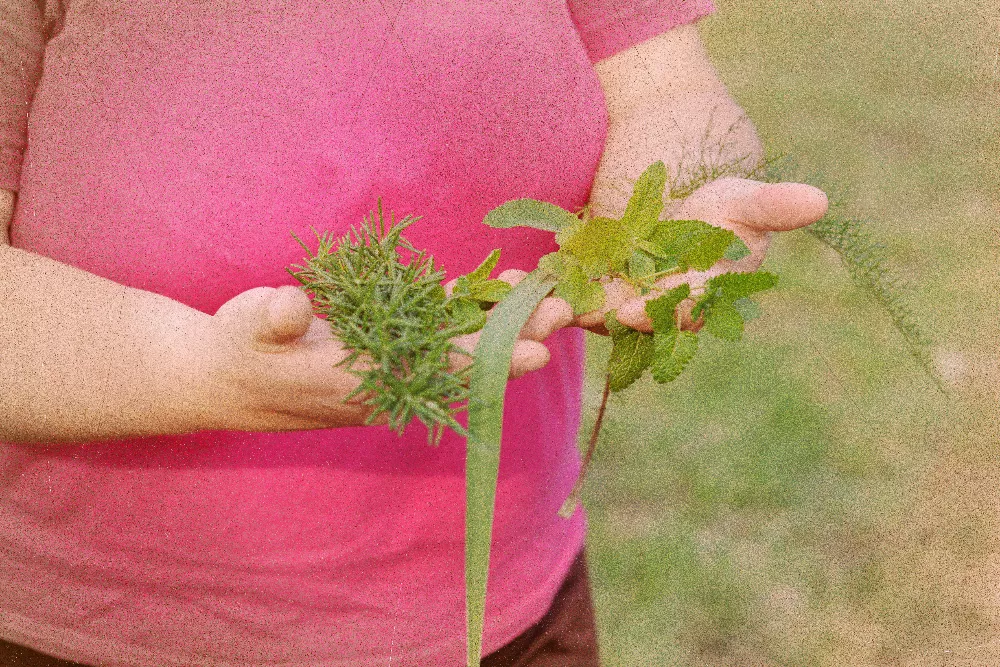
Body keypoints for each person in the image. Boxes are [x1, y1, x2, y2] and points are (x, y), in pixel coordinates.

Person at [0, 1, 828, 665]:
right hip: (110, 629)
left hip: (505, 608)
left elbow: (668, 93)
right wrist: (206, 373)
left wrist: (680, 199)